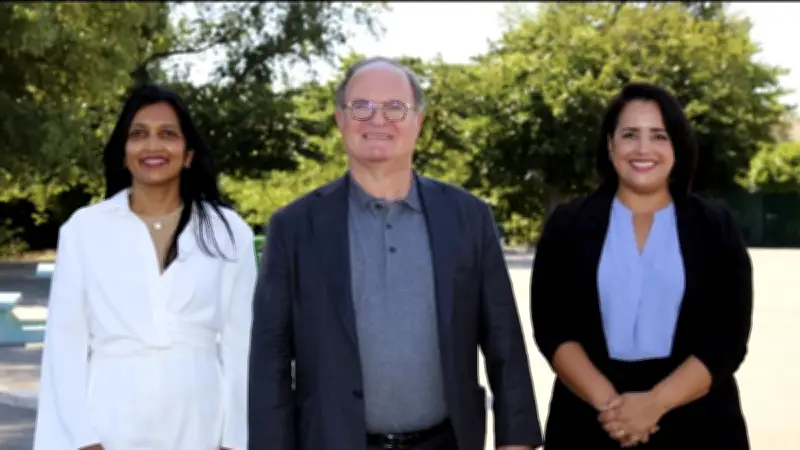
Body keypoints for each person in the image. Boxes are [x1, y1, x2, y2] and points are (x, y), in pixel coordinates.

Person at [248, 57, 543, 450]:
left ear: (418, 121)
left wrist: (516, 440)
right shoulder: (294, 227)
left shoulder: (469, 216)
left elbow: (504, 339)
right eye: (361, 107)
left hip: (448, 442)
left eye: (394, 108)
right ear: (340, 120)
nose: (378, 119)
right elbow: (269, 358)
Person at [530, 82, 753, 449]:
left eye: (659, 136)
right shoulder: (568, 224)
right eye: (630, 134)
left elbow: (728, 337)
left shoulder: (716, 227)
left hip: (700, 426)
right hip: (590, 423)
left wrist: (655, 404)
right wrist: (614, 409)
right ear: (610, 144)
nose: (643, 149)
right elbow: (553, 328)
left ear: (677, 146)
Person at [33, 84, 257, 450]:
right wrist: (83, 440)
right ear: (124, 153)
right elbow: (64, 345)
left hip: (200, 422)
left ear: (188, 154)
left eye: (168, 134)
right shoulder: (84, 229)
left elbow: (243, 344)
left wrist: (235, 439)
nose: (153, 146)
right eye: (138, 134)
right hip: (108, 420)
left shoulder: (229, 232)